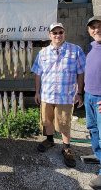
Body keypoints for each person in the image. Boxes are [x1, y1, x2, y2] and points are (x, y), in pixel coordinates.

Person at [31, 22, 85, 168]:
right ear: (50, 35)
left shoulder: (76, 50)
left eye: (60, 32)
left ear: (64, 33)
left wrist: (79, 93)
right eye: (54, 33)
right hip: (47, 94)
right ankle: (49, 140)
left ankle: (66, 148)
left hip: (66, 95)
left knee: (64, 122)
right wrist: (37, 91)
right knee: (46, 120)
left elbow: (81, 73)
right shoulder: (43, 53)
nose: (57, 35)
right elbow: (38, 73)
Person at [81, 16, 101, 189]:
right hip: (89, 96)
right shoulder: (91, 47)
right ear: (89, 31)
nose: (96, 30)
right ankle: (99, 156)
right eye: (93, 27)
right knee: (93, 130)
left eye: (99, 26)